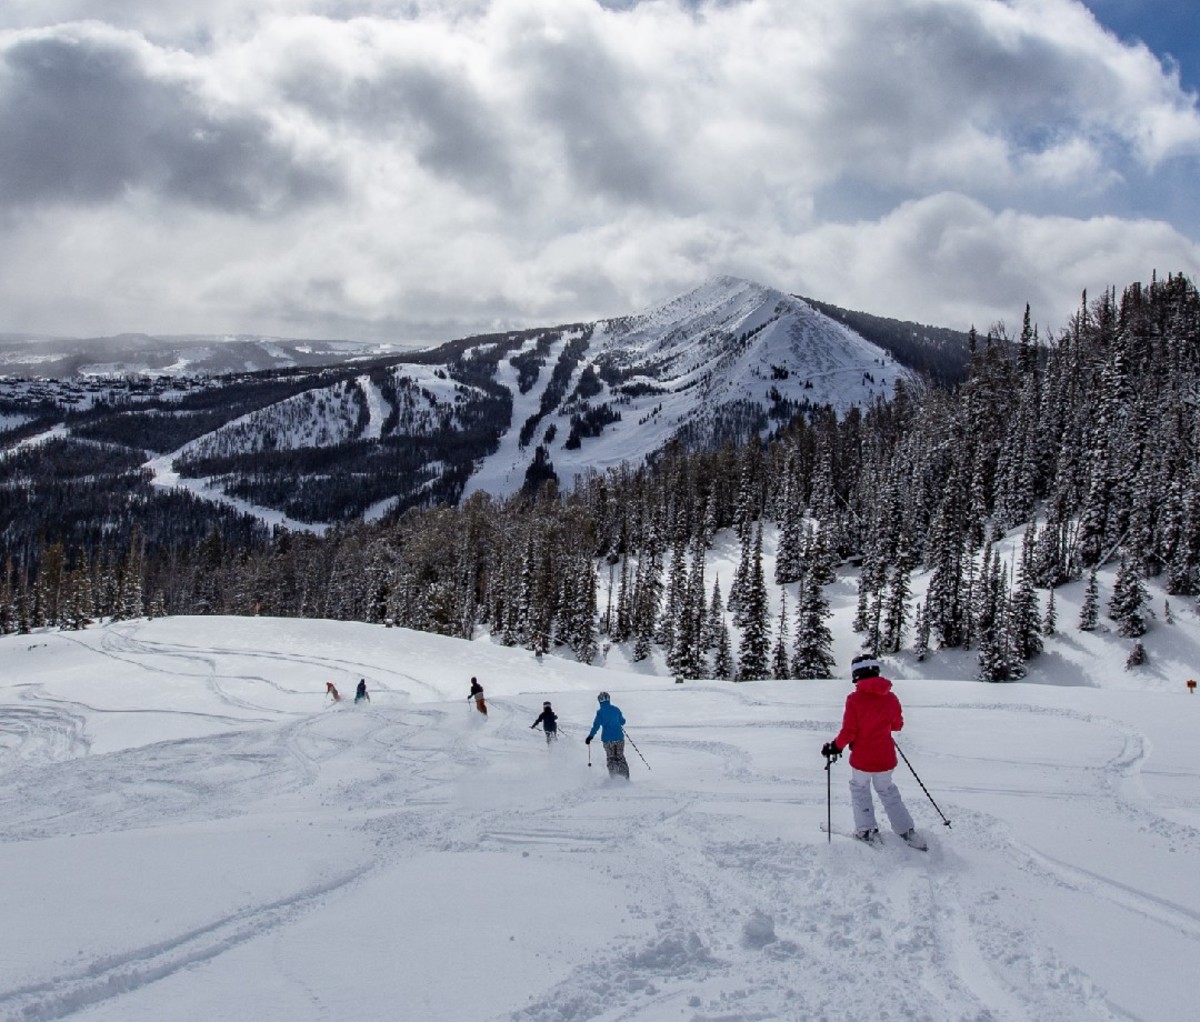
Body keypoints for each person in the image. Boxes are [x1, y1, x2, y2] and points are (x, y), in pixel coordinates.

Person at [821, 654, 926, 849]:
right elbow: (897, 725)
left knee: (860, 789)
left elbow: (849, 731)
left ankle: (867, 830)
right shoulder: (891, 696)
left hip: (862, 758)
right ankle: (906, 831)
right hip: (886, 757)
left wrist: (835, 747)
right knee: (887, 791)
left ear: (856, 675)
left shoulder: (854, 699)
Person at [585, 691, 629, 779]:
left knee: (611, 758)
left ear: (599, 701)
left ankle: (614, 778)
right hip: (619, 738)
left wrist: (590, 736)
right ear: (608, 699)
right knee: (620, 757)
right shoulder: (616, 709)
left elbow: (596, 726)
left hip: (607, 740)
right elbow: (622, 721)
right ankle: (625, 777)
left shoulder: (600, 712)